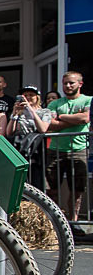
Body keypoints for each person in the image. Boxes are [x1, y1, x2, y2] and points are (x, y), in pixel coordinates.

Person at [45, 71, 91, 226]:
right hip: (56, 149)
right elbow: (50, 124)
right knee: (51, 189)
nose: (68, 86)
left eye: (71, 83)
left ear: (80, 84)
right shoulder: (55, 103)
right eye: (65, 83)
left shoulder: (88, 100)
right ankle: (56, 223)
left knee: (77, 189)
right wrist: (75, 119)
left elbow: (85, 118)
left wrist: (61, 117)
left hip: (78, 149)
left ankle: (73, 222)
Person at [5, 85, 51, 189]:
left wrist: (30, 110)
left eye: (31, 95)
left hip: (35, 150)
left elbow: (43, 129)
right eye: (25, 95)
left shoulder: (45, 112)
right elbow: (9, 132)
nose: (28, 98)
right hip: (19, 149)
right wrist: (15, 113)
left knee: (35, 181)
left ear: (37, 97)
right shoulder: (20, 111)